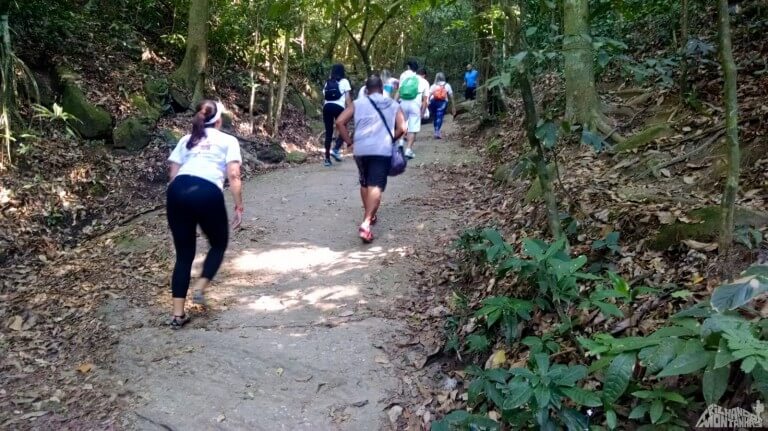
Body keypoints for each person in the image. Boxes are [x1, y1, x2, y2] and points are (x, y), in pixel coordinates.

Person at [166, 100, 243, 329]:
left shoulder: (186, 140)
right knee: (218, 244)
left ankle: (178, 315)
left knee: (184, 254)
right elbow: (234, 174)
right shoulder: (228, 140)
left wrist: (178, 201)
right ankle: (200, 287)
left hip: (178, 190)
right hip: (207, 191)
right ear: (219, 121)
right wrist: (239, 206)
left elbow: (173, 173)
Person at [336, 75, 406, 243]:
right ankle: (366, 223)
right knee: (376, 185)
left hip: (361, 149)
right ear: (382, 89)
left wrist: (349, 142)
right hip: (381, 149)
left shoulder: (358, 103)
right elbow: (403, 127)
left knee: (365, 182)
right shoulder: (393, 104)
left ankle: (369, 214)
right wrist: (391, 138)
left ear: (366, 90)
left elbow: (339, 122)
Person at [397, 60, 429, 159]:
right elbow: (425, 100)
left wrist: (394, 103)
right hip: (415, 105)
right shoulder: (424, 82)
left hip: (403, 103)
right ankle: (408, 150)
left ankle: (400, 143)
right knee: (413, 128)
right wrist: (422, 112)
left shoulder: (406, 78)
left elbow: (399, 91)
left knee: (403, 125)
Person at [322, 64, 352, 166]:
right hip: (339, 108)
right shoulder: (345, 82)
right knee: (344, 129)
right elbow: (347, 99)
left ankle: (326, 159)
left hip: (327, 108)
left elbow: (325, 97)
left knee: (329, 132)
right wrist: (350, 110)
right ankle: (335, 149)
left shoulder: (327, 83)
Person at [428, 72, 457, 139]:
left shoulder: (433, 86)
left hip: (433, 102)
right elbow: (451, 96)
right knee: (440, 116)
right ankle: (437, 131)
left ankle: (436, 130)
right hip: (443, 102)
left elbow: (429, 95)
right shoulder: (447, 85)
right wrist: (453, 106)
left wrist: (427, 103)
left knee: (435, 116)